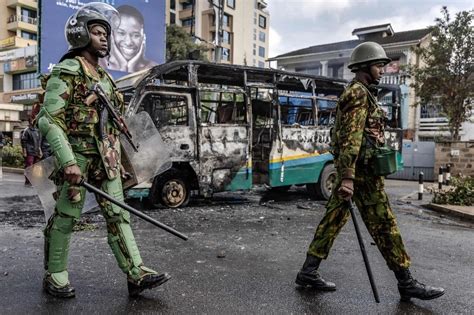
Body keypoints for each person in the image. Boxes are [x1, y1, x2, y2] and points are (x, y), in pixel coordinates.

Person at [37, 3, 170, 298]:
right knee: (66, 216)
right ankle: (54, 275)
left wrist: (121, 161)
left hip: (107, 160)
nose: (104, 39)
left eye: (106, 34)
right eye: (97, 32)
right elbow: (48, 119)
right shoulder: (68, 72)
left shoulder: (106, 80)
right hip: (77, 157)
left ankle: (136, 273)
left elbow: (110, 125)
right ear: (80, 35)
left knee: (118, 214)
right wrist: (68, 161)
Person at [295, 42, 445, 302]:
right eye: (378, 65)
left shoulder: (362, 92)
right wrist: (349, 178)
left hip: (355, 172)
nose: (381, 70)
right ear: (364, 67)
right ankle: (406, 282)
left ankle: (308, 272)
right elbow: (351, 137)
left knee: (331, 222)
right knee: (385, 226)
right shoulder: (359, 94)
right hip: (361, 176)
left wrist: (345, 173)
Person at [104, 5, 157, 73]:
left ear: (143, 38)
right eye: (121, 33)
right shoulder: (99, 63)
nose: (128, 42)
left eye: (135, 35)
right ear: (112, 34)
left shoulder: (152, 68)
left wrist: (131, 68)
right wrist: (123, 66)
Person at [20, 117, 42, 185]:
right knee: (29, 166)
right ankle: (28, 181)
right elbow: (23, 141)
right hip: (29, 151)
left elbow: (39, 141)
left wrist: (39, 150)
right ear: (29, 121)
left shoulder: (37, 130)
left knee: (35, 167)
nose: (34, 121)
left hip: (36, 151)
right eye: (32, 120)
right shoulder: (26, 130)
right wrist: (24, 151)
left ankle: (33, 181)